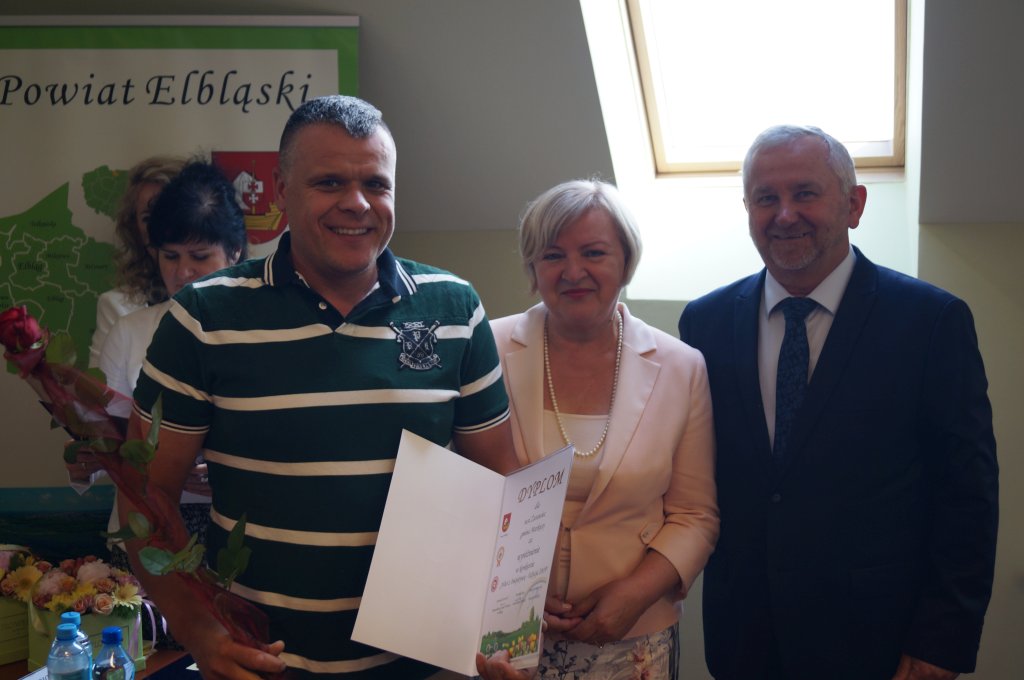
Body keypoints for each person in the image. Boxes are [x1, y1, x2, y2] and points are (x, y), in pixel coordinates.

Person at [119, 95, 522, 680]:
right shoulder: (203, 317)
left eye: (376, 184)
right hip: (261, 663)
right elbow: (144, 500)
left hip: (426, 664)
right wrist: (199, 631)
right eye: (329, 182)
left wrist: (503, 630)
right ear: (282, 191)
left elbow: (501, 482)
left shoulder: (455, 309)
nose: (356, 203)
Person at [678, 125, 998, 680]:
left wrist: (941, 642)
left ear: (854, 205)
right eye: (765, 198)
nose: (784, 215)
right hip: (744, 639)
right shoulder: (704, 323)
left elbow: (967, 493)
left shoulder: (930, 322)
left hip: (878, 642)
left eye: (805, 193)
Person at [490, 180, 719, 679]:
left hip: (634, 636)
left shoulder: (682, 367)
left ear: (626, 262)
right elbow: (467, 491)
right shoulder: (486, 348)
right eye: (553, 255)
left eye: (593, 253)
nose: (573, 272)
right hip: (505, 636)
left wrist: (634, 595)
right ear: (533, 266)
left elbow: (695, 515)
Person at [89, 155, 186, 368]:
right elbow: (100, 389)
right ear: (135, 229)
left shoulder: (239, 293)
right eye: (149, 218)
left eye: (171, 213)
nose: (161, 229)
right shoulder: (117, 306)